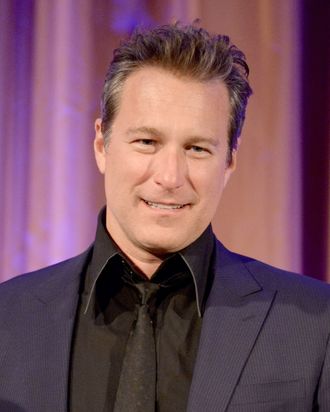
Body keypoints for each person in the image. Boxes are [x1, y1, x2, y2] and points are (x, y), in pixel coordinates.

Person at [0, 22, 329, 412]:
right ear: (101, 145)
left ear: (229, 162)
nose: (170, 177)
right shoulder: (9, 318)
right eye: (146, 142)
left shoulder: (315, 324)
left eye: (197, 149)